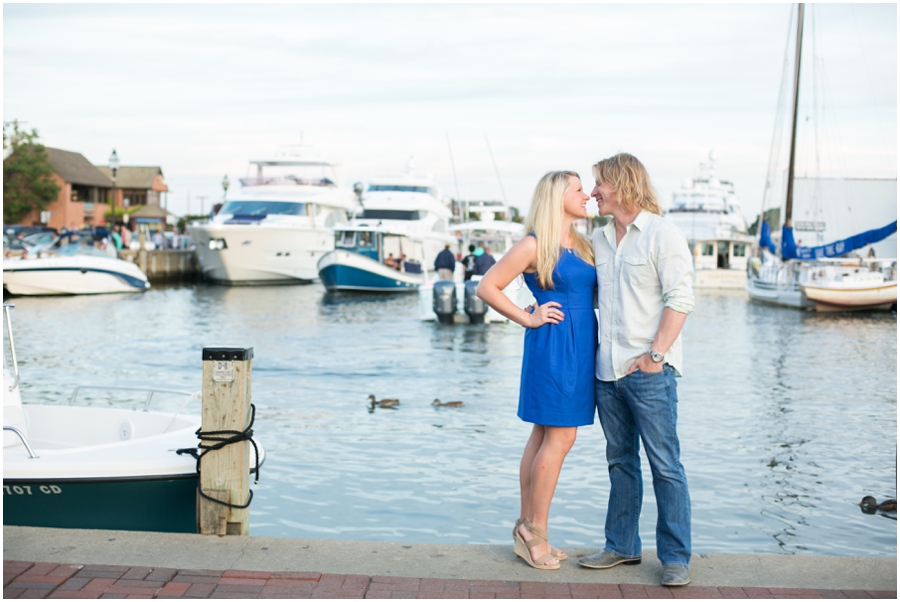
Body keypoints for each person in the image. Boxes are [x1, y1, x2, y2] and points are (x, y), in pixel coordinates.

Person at [577, 153, 695, 587]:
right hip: (606, 373)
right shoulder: (600, 239)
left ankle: (676, 557)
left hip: (648, 373)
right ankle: (622, 546)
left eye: (599, 185)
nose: (593, 193)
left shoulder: (663, 235)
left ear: (622, 184)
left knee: (665, 464)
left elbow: (680, 299)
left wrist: (656, 356)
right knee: (620, 462)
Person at [476, 170, 596, 570]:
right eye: (578, 189)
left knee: (544, 434)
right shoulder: (533, 244)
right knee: (560, 438)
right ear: (557, 197)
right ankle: (536, 533)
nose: (586, 195)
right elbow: (487, 286)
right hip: (554, 345)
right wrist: (528, 318)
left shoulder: (581, 242)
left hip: (579, 347)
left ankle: (526, 528)